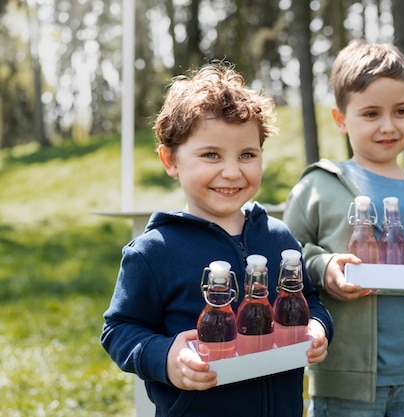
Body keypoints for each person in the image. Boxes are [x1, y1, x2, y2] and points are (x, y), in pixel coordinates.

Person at [101, 63, 333, 417]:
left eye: (247, 155)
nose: (231, 171)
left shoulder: (279, 237)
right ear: (170, 159)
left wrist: (318, 327)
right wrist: (166, 358)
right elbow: (119, 330)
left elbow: (311, 302)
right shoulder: (153, 252)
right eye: (211, 155)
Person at [282, 39, 404, 417]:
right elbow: (288, 257)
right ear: (340, 119)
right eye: (370, 114)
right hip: (342, 381)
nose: (388, 126)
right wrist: (325, 267)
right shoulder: (318, 186)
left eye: (401, 111)